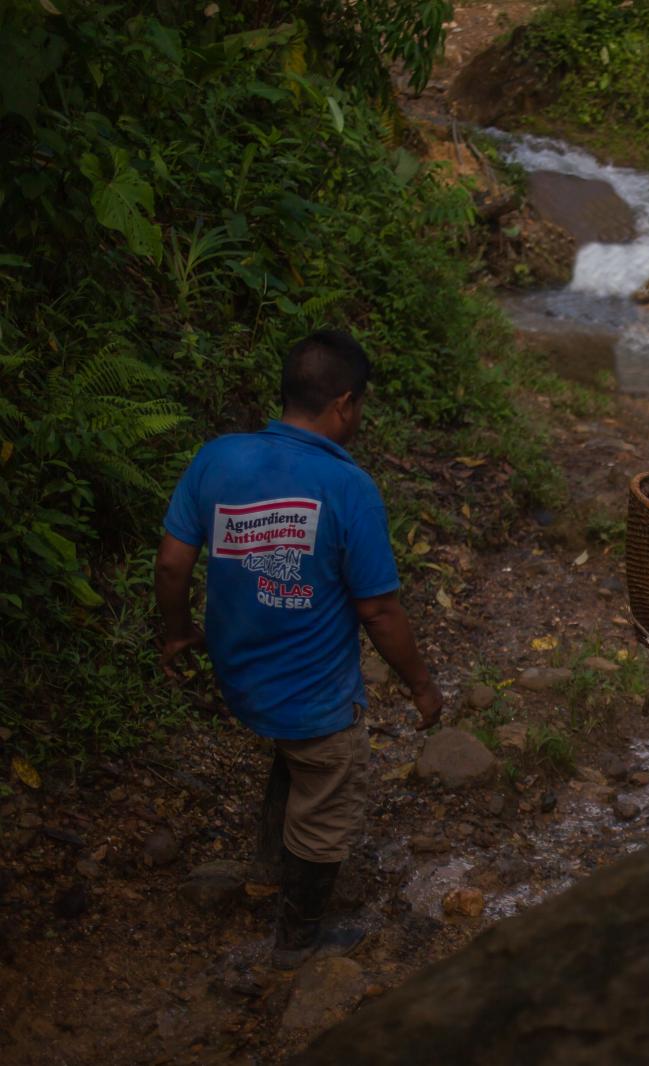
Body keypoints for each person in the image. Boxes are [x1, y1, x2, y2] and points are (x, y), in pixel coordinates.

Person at [154, 330, 444, 970]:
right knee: (327, 785)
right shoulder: (349, 487)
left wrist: (176, 632)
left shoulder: (217, 458)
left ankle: (264, 868)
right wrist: (421, 686)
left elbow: (173, 564)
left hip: (241, 676)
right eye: (360, 405)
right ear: (344, 404)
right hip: (312, 694)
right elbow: (378, 610)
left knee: (297, 753)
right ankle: (298, 939)